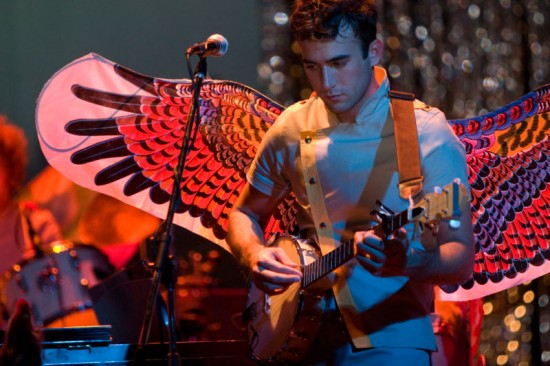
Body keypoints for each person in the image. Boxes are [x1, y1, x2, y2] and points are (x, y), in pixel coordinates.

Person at [226, 0, 474, 365]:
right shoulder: (290, 127)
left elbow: (461, 258)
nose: (326, 82)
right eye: (312, 66)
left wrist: (409, 261)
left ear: (373, 51)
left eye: (339, 63)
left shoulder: (424, 131)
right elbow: (244, 213)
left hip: (392, 342)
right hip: (296, 340)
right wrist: (254, 254)